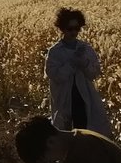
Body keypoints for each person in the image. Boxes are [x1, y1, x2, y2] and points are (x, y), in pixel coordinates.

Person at [45, 7, 111, 137]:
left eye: (77, 28)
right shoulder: (55, 51)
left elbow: (95, 73)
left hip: (84, 96)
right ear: (62, 29)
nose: (74, 32)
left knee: (84, 132)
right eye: (70, 29)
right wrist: (72, 63)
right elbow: (54, 75)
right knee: (65, 133)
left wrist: (84, 64)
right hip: (64, 98)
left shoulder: (86, 49)